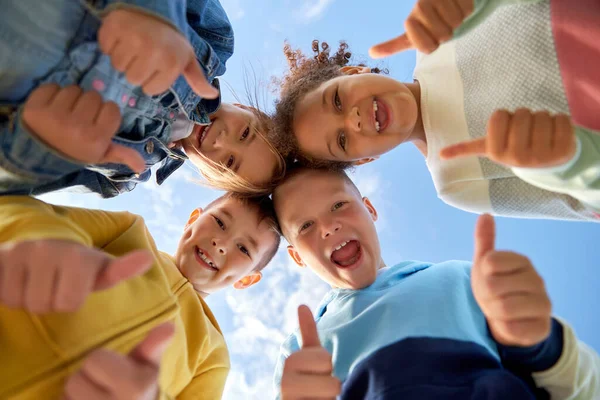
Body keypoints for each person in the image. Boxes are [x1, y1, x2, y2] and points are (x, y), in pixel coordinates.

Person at [272, 167, 600, 399]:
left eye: (338, 205)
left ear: (369, 209)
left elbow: (587, 389)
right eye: (305, 226)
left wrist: (540, 346)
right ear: (297, 258)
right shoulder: (300, 349)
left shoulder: (465, 279)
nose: (328, 227)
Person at [270, 0, 600, 221]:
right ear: (364, 159)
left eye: (338, 100)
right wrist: (564, 164)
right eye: (342, 140)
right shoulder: (455, 182)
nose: (353, 119)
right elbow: (587, 206)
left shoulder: (438, 28)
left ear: (353, 72)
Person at [0, 192, 281, 398]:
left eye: (244, 249)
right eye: (220, 221)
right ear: (192, 219)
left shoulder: (213, 357)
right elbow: (25, 211)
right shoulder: (128, 231)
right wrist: (46, 241)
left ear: (247, 280)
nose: (221, 243)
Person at [0, 0, 284, 199]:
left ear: (209, 176)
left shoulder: (118, 177)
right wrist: (157, 13)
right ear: (247, 109)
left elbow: (13, 189)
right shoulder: (214, 42)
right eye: (245, 133)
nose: (221, 140)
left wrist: (36, 147)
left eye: (229, 163)